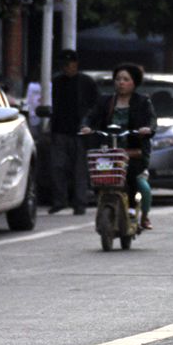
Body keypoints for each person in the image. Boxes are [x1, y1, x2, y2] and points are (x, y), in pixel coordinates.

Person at [80, 63, 156, 229]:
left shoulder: (143, 102)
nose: (121, 82)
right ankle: (104, 202)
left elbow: (151, 120)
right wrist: (86, 127)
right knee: (99, 176)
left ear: (134, 83)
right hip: (108, 151)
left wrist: (147, 129)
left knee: (136, 180)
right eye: (118, 79)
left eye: (125, 79)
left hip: (134, 152)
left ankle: (138, 212)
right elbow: (90, 116)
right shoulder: (105, 101)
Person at [49, 50, 99, 215]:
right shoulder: (57, 82)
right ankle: (60, 200)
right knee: (58, 167)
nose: (66, 67)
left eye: (68, 64)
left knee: (79, 170)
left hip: (79, 132)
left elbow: (95, 105)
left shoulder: (86, 82)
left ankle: (79, 203)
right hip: (60, 130)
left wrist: (89, 123)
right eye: (63, 64)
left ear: (75, 64)